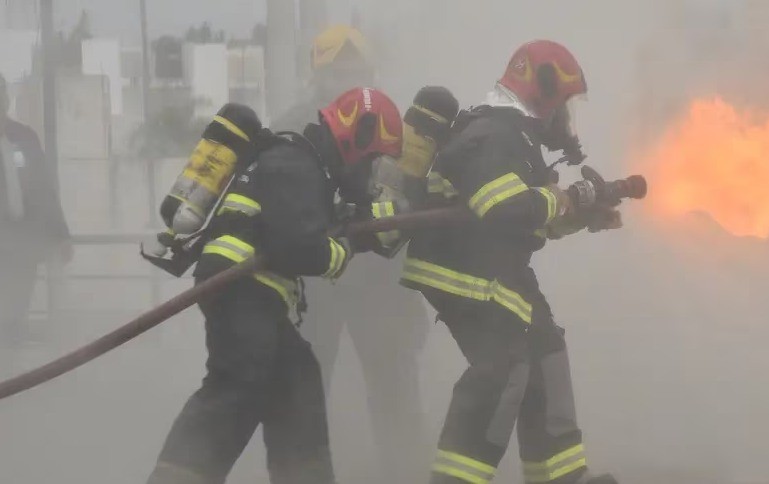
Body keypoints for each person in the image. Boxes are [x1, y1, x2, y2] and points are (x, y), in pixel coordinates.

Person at [146, 87, 404, 484]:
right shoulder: (295, 161)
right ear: (359, 136)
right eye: (373, 160)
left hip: (256, 292)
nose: (371, 174)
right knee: (237, 383)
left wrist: (358, 228)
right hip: (242, 287)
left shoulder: (306, 169)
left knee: (296, 381)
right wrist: (345, 248)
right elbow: (299, 247)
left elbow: (305, 226)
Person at [401, 40, 621, 484]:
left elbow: (529, 220)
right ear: (541, 93)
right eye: (565, 106)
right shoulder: (492, 135)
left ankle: (560, 477)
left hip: (497, 268)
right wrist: (565, 198)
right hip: (464, 272)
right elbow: (502, 209)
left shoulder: (517, 141)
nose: (567, 120)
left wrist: (582, 215)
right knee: (503, 368)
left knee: (546, 353)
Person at [273, 25, 440, 482]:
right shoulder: (290, 128)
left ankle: (403, 469)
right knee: (306, 385)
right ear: (317, 75)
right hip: (315, 281)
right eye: (338, 70)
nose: (348, 79)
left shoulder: (396, 126)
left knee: (394, 384)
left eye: (357, 69)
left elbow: (414, 198)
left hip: (381, 282)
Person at [0, 73, 72, 347]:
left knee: (16, 315)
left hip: (23, 245)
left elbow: (45, 190)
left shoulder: (24, 137)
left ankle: (14, 373)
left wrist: (61, 235)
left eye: (1, 95)